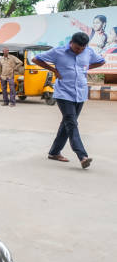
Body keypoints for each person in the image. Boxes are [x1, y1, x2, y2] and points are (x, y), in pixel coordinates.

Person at [32, 32, 105, 169]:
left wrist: (85, 68)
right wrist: (53, 70)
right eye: (78, 48)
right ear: (71, 42)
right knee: (71, 123)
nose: (80, 51)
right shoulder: (58, 52)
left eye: (82, 49)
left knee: (67, 123)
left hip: (81, 93)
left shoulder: (88, 52)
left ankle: (54, 152)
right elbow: (36, 59)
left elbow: (101, 61)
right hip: (64, 93)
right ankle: (82, 156)